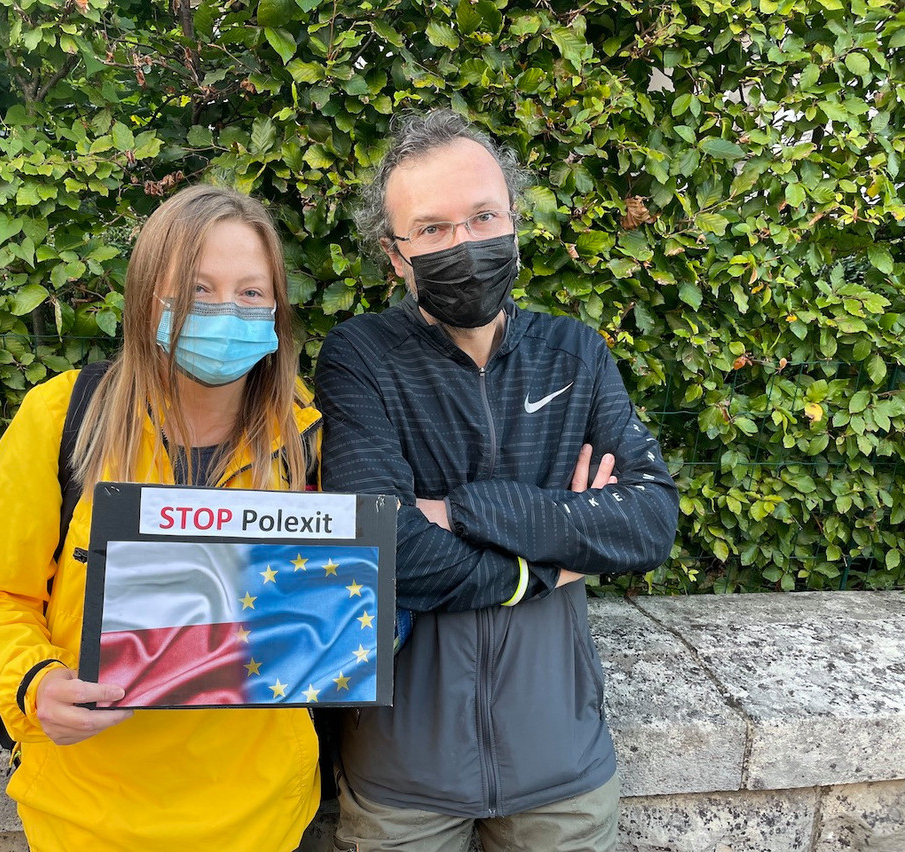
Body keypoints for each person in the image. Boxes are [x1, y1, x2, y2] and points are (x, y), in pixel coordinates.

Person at [314, 110, 679, 852]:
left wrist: (457, 510)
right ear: (395, 255)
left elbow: (647, 520)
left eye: (483, 216)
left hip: (564, 773)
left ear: (514, 222)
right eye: (434, 229)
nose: (466, 245)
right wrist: (558, 552)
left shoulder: (574, 352)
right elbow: (384, 545)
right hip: (400, 780)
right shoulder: (360, 358)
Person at [0, 185, 323, 852]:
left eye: (249, 291)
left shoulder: (311, 433)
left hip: (262, 814)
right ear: (146, 293)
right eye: (198, 289)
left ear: (276, 308)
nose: (225, 310)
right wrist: (34, 684)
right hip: (87, 816)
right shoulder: (60, 417)